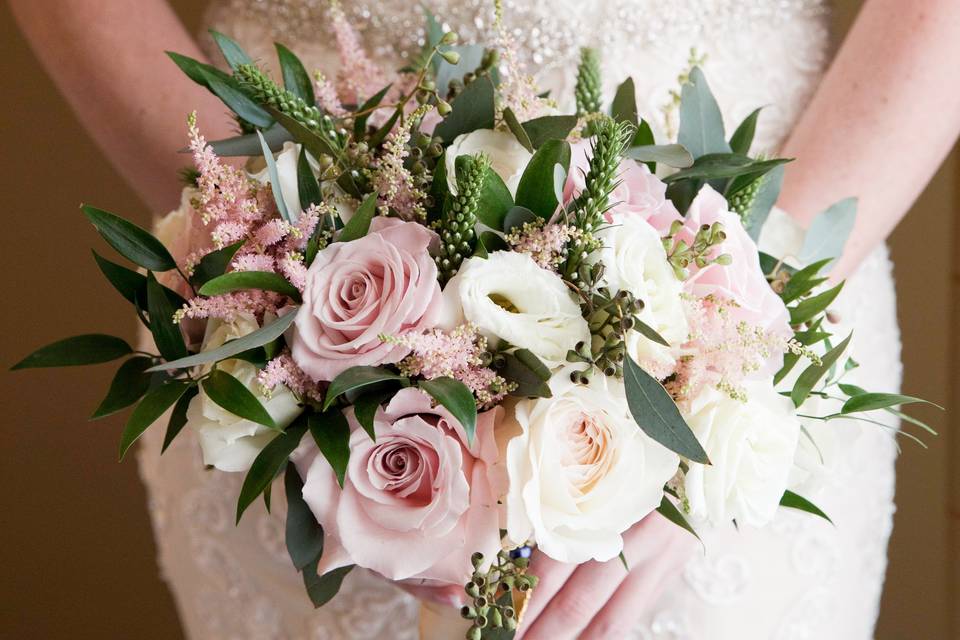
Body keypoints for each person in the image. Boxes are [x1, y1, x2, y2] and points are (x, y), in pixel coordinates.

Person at [10, 0, 960, 638]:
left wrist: (715, 374)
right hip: (280, 291)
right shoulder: (276, 293)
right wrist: (272, 277)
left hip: (753, 254)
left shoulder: (729, 342)